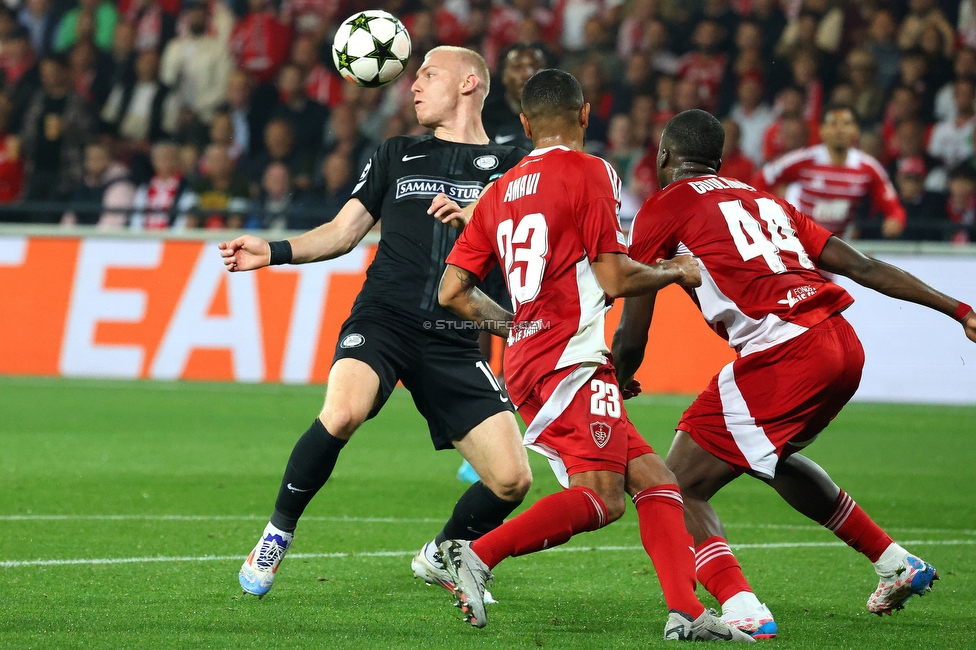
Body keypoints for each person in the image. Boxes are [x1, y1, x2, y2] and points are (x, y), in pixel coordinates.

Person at [613, 109, 976, 636]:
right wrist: (960, 311)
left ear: (665, 155)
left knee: (675, 484)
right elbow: (864, 267)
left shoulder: (662, 207)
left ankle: (741, 607)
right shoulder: (763, 200)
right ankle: (894, 562)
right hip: (841, 344)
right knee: (774, 459)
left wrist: (618, 378)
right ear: (717, 159)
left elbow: (634, 325)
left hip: (783, 352)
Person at [434, 69, 752, 643]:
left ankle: (688, 612)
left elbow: (451, 291)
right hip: (568, 359)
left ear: (526, 125)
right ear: (585, 115)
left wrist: (519, 326)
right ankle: (475, 556)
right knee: (603, 499)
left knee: (659, 482)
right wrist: (676, 271)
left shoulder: (499, 191)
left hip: (542, 357)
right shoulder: (591, 170)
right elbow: (615, 275)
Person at [219, 46, 534, 601]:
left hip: (458, 338)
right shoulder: (397, 153)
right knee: (342, 412)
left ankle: (444, 552)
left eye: (428, 75)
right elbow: (343, 233)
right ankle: (277, 532)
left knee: (512, 480)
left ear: (468, 83)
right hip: (385, 316)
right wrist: (272, 250)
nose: (413, 86)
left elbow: (531, 253)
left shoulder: (517, 167)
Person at [754, 104, 905, 240]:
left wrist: (895, 220)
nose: (840, 129)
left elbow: (893, 207)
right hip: (798, 244)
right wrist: (757, 213)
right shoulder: (804, 160)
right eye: (833, 124)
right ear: (822, 131)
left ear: (856, 131)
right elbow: (762, 179)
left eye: (846, 124)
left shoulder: (868, 168)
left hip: (837, 248)